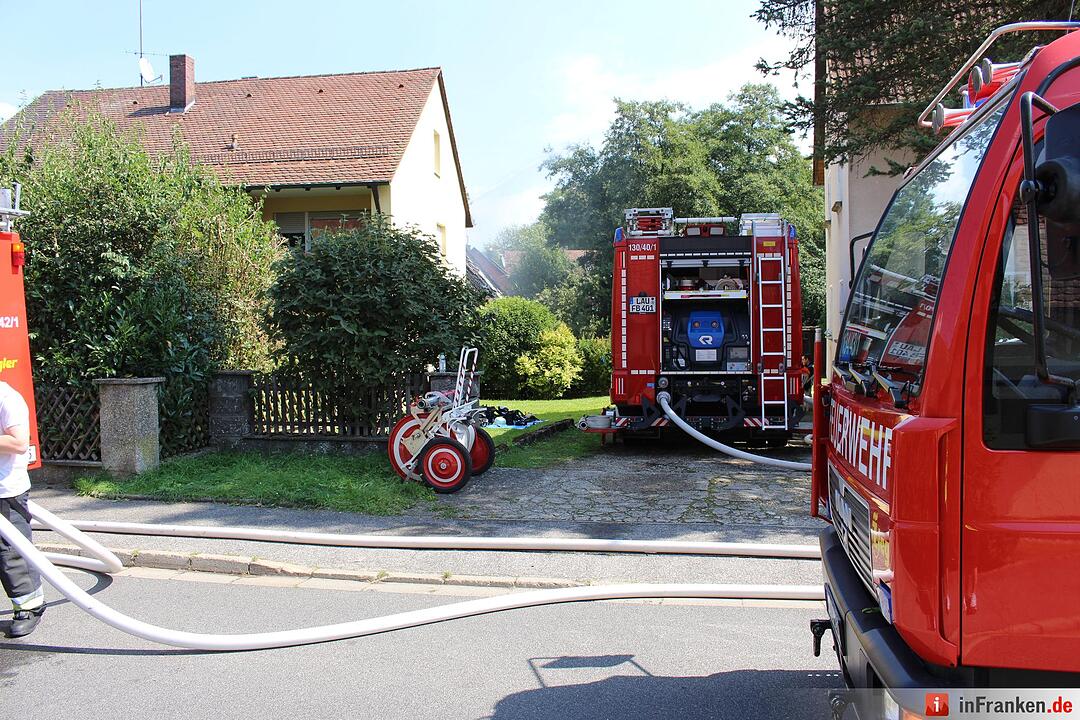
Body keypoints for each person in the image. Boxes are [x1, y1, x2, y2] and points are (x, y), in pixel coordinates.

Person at [0, 380, 43, 638]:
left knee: (11, 552)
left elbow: (18, 443)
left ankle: (29, 607)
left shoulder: (7, 398)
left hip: (6, 490)